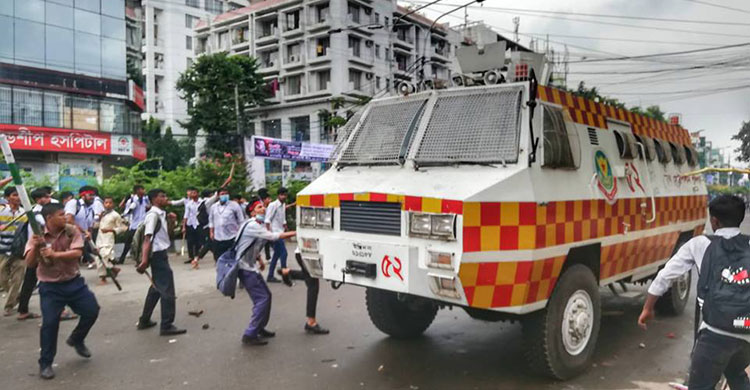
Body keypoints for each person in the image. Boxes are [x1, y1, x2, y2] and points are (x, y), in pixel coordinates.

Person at [639, 195, 750, 390]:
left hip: (715, 333)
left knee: (701, 383)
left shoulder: (700, 243)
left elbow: (665, 276)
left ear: (714, 220)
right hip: (747, 334)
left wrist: (648, 308)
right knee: (735, 372)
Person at [25, 203, 99, 380]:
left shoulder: (71, 230)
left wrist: (54, 254)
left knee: (91, 311)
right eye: (60, 215)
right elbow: (29, 264)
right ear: (49, 218)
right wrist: (36, 247)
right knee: (50, 324)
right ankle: (46, 363)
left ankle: (77, 339)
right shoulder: (37, 235)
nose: (65, 218)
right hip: (50, 287)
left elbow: (77, 253)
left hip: (73, 282)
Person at [235, 201, 296, 346]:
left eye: (263, 206)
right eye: (259, 207)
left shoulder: (256, 225)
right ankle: (250, 334)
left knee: (266, 296)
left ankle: (259, 328)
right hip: (245, 269)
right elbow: (273, 236)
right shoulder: (252, 225)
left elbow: (249, 244)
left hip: (250, 266)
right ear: (252, 212)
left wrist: (259, 259)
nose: (263, 209)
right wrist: (297, 232)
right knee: (262, 299)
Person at [136, 189, 186, 336]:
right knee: (167, 289)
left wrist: (171, 221)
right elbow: (147, 238)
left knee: (156, 287)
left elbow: (166, 237)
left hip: (160, 253)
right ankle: (167, 325)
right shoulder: (153, 215)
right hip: (157, 255)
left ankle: (144, 320)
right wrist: (144, 260)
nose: (166, 198)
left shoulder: (161, 214)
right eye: (162, 196)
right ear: (154, 199)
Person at [16, 188, 51, 321]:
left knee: (30, 281)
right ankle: (58, 310)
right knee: (49, 280)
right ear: (38, 200)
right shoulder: (37, 214)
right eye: (45, 197)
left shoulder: (37, 212)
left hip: (35, 249)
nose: (48, 199)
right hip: (38, 249)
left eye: (48, 197)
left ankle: (23, 309)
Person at [278, 248, 330, 335]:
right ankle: (311, 322)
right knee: (313, 285)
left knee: (309, 278)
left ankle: (288, 272)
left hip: (306, 252)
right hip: (307, 253)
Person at [0, 186, 28, 316]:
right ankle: (16, 297)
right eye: (14, 195)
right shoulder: (1, 211)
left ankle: (9, 305)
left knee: (17, 278)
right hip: (3, 249)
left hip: (19, 251)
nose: (17, 198)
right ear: (7, 198)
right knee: (2, 278)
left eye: (19, 195)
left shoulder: (25, 212)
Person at [207, 188, 245, 262]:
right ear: (218, 196)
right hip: (218, 237)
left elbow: (241, 220)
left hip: (232, 236)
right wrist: (211, 232)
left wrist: (240, 233)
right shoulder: (213, 207)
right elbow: (211, 220)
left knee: (232, 258)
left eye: (226, 194)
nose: (224, 196)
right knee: (218, 259)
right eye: (222, 194)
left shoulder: (234, 205)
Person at [64, 186, 98, 268]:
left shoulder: (90, 209)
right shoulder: (74, 203)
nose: (92, 197)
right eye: (90, 195)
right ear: (83, 195)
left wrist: (89, 234)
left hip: (83, 239)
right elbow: (69, 220)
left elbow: (90, 226)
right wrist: (83, 231)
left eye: (93, 195)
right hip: (71, 238)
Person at [94, 197, 125, 285]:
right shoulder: (102, 214)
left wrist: (110, 230)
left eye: (110, 203)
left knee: (104, 255)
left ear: (113, 204)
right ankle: (111, 270)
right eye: (106, 202)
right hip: (100, 238)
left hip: (108, 238)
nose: (108, 204)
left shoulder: (116, 215)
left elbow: (122, 228)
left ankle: (105, 276)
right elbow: (96, 225)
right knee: (98, 258)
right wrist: (99, 219)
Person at [117, 185, 150, 264]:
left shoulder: (146, 199)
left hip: (143, 223)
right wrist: (130, 209)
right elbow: (126, 212)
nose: (144, 190)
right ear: (137, 191)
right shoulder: (132, 200)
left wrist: (149, 207)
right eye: (142, 189)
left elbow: (150, 207)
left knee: (142, 242)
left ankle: (140, 259)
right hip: (134, 224)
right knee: (128, 242)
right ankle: (122, 258)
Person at [170, 187, 202, 264]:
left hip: (199, 223)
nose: (190, 193)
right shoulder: (187, 203)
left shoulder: (202, 201)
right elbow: (186, 215)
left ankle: (197, 255)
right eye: (189, 192)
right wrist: (184, 226)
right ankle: (191, 257)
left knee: (198, 241)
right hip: (190, 223)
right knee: (190, 241)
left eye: (192, 192)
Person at [265, 187, 290, 283]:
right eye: (282, 195)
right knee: (284, 253)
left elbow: (283, 220)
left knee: (276, 255)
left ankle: (270, 275)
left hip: (281, 232)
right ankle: (285, 275)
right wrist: (268, 234)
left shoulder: (283, 205)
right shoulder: (273, 205)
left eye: (285, 195)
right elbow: (267, 220)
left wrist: (286, 230)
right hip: (274, 233)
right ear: (278, 195)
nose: (284, 197)